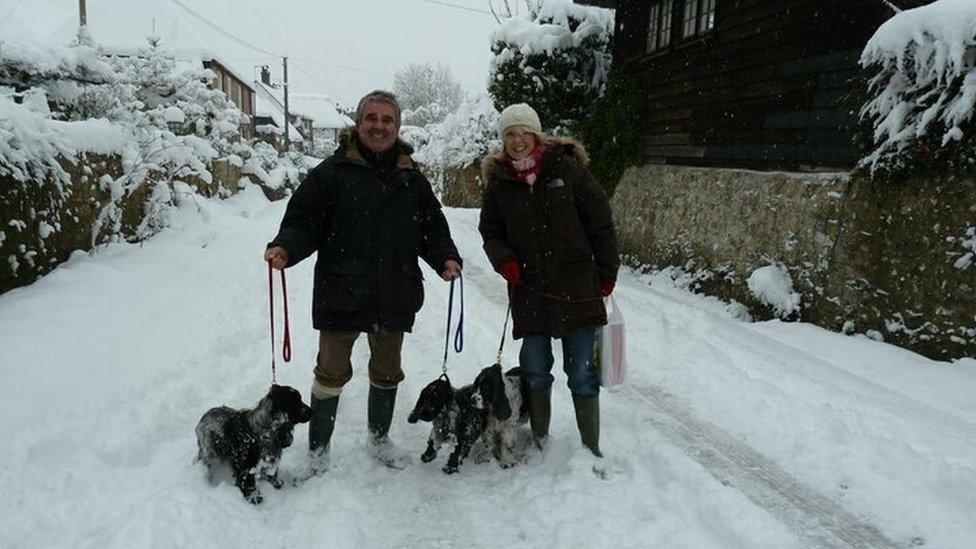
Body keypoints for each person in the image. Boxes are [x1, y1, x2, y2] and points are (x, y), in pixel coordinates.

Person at [265, 90, 462, 470]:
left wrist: (446, 257)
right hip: (342, 289)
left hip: (395, 290)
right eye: (371, 118)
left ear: (397, 127)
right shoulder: (331, 174)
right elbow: (303, 221)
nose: (379, 126)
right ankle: (319, 452)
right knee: (331, 372)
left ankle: (379, 438)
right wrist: (286, 248)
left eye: (387, 120)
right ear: (358, 124)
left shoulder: (412, 179)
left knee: (388, 371)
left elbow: (433, 227)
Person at [478, 103, 619, 458]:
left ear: (536, 135)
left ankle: (591, 447)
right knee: (535, 369)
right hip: (530, 290)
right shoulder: (500, 183)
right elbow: (490, 231)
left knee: (582, 372)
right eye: (509, 134)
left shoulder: (567, 171)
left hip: (578, 287)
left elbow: (601, 223)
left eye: (523, 132)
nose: (517, 140)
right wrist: (504, 260)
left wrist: (607, 273)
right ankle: (541, 441)